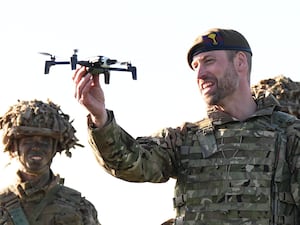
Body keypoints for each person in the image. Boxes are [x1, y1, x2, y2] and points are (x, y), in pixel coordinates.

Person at [72, 28, 300, 224]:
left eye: (209, 61)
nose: (200, 74)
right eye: (195, 66)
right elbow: (129, 162)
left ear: (240, 62)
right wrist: (100, 117)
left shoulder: (289, 135)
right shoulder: (185, 138)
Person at [0, 99, 101, 225]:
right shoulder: (2, 204)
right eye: (28, 140)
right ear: (14, 147)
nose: (36, 147)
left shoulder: (79, 208)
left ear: (54, 148)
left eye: (45, 142)